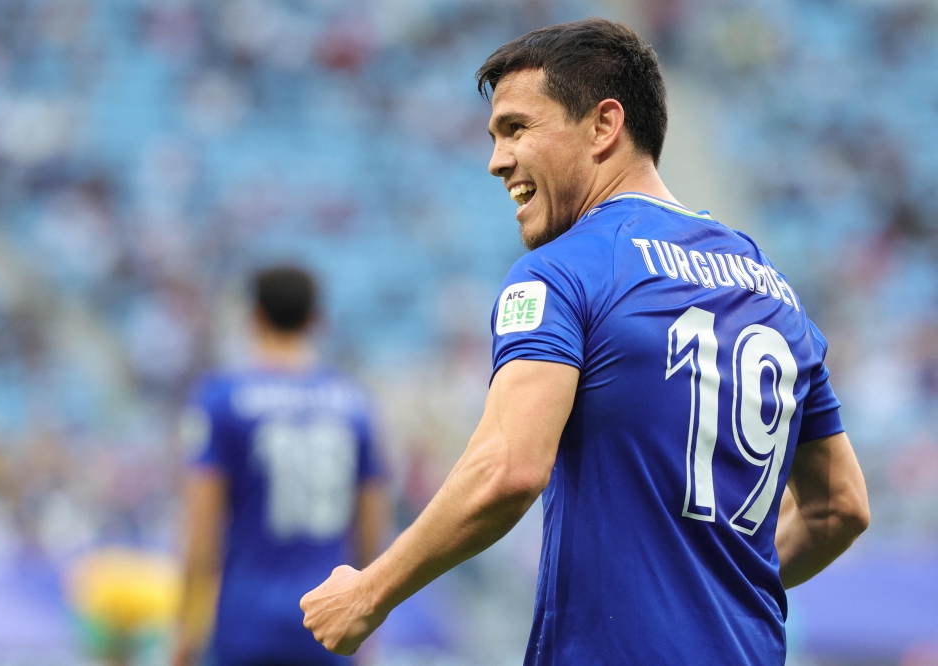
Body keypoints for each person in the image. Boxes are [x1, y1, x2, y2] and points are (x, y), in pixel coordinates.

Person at [300, 18, 870, 665]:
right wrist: (715, 595)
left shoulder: (568, 269)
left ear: (604, 125)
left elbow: (509, 469)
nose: (496, 161)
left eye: (516, 128)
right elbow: (839, 510)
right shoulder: (776, 294)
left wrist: (369, 592)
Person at [173, 266, 389, 666]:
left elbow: (202, 529)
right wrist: (367, 614)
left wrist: (186, 627)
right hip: (330, 620)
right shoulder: (355, 403)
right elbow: (372, 523)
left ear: (253, 316)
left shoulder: (222, 400)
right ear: (315, 320)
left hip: (244, 621)